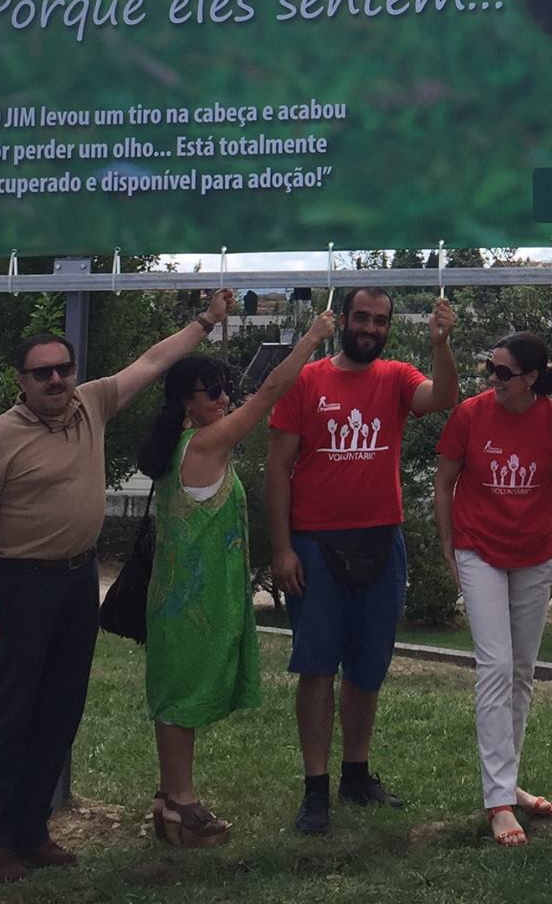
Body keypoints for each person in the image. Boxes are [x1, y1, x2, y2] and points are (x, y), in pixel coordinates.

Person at [0, 287, 238, 885]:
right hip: (20, 584)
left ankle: (32, 832)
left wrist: (208, 321)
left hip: (78, 579)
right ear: (22, 381)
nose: (57, 380)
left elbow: (154, 362)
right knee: (12, 713)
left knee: (61, 709)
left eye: (64, 368)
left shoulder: (92, 404)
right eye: (43, 373)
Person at [136, 309, 336, 847]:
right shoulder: (204, 446)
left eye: (225, 389)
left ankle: (169, 797)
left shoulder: (177, 451)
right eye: (212, 392)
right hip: (196, 603)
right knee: (181, 702)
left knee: (175, 698)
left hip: (176, 601)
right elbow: (270, 392)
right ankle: (183, 806)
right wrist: (313, 338)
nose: (224, 399)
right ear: (186, 401)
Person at [268, 286, 459, 834]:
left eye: (379, 321)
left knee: (367, 667)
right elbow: (277, 467)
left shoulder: (396, 377)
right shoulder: (305, 380)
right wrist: (282, 548)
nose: (370, 328)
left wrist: (441, 345)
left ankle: (356, 774)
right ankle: (315, 790)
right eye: (361, 318)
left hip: (381, 540)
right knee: (316, 667)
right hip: (315, 543)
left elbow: (443, 397)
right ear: (344, 320)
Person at [433, 331, 552, 845]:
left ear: (532, 378)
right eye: (489, 368)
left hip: (536, 554)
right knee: (495, 666)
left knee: (521, 671)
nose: (491, 379)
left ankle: (509, 782)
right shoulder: (470, 415)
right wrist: (449, 545)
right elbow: (444, 479)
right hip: (479, 549)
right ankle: (498, 799)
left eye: (502, 372)